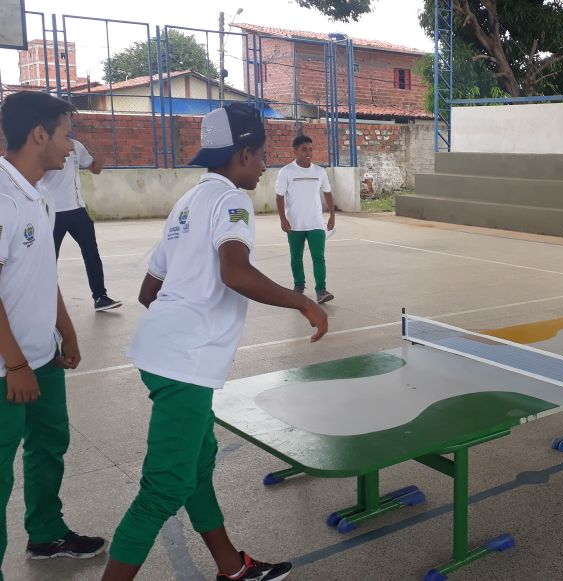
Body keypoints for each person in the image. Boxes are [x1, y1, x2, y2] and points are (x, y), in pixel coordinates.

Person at [101, 103, 328, 581]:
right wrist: (302, 302)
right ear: (243, 154)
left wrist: (178, 326)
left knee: (198, 465)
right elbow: (234, 270)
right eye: (262, 155)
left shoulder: (187, 202)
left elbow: (148, 290)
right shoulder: (231, 200)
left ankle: (232, 567)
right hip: (184, 365)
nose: (266, 166)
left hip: (164, 354)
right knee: (162, 491)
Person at [0, 92, 107, 580]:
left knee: (50, 445)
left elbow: (43, 274)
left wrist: (65, 329)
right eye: (66, 134)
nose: (71, 146)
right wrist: (16, 364)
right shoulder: (2, 197)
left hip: (42, 356)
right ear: (39, 134)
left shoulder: (39, 194)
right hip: (7, 368)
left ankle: (46, 534)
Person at [37, 131, 122, 311]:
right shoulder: (45, 145)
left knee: (91, 252)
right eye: (65, 116)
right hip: (54, 211)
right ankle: (45, 301)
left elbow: (95, 168)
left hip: (77, 210)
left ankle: (100, 297)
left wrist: (100, 152)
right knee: (49, 259)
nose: (69, 121)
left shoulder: (76, 145)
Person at [276, 135, 335, 304]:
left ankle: (321, 290)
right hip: (294, 223)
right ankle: (299, 286)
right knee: (296, 256)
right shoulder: (286, 171)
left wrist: (332, 215)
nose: (308, 153)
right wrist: (282, 219)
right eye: (304, 150)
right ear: (295, 151)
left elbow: (327, 193)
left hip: (315, 222)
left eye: (310, 149)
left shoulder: (319, 171)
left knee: (318, 256)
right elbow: (279, 196)